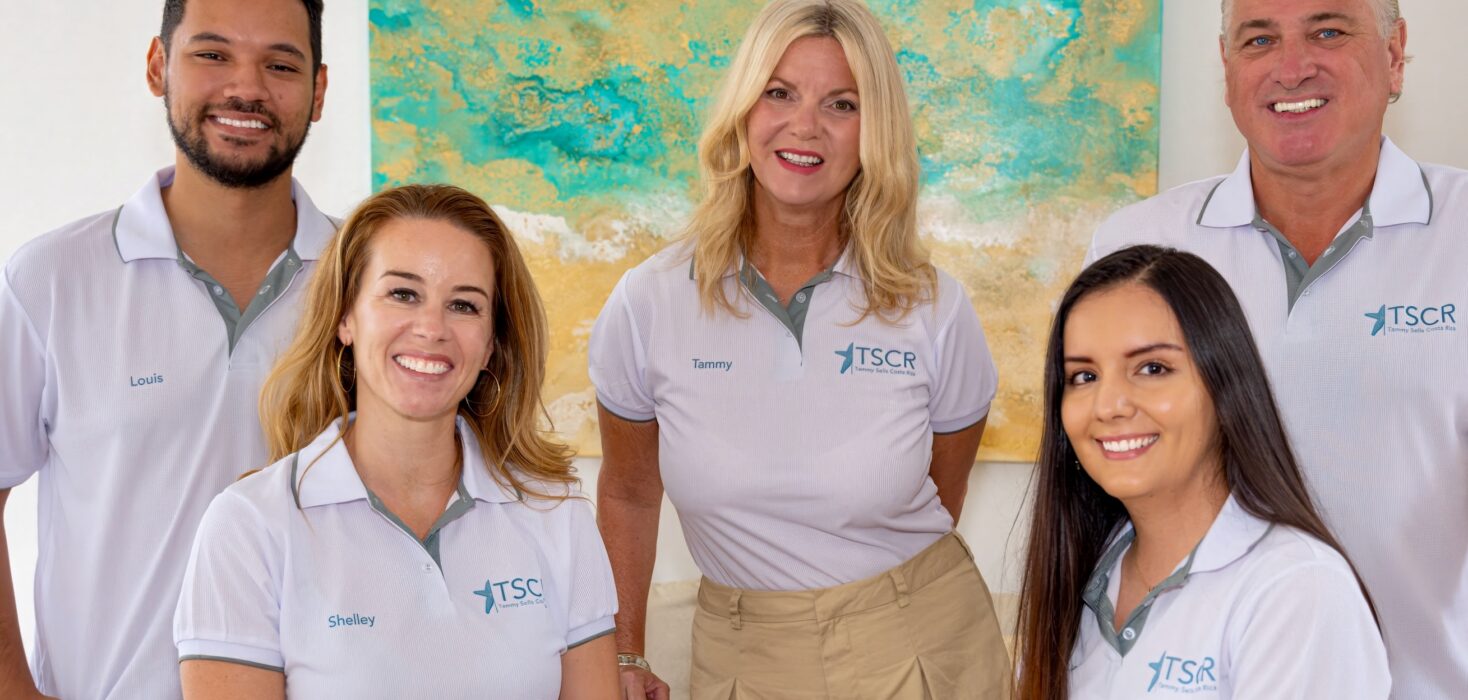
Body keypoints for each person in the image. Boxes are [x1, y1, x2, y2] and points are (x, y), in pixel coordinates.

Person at [589, 1, 1010, 697]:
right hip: (738, 651)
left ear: (874, 131)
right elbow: (630, 492)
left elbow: (940, 492)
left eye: (841, 104)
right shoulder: (649, 302)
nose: (804, 125)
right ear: (743, 112)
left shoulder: (935, 308)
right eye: (779, 93)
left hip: (921, 642)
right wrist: (626, 654)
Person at [1087, 1, 1467, 695]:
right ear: (1226, 68)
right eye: (1259, 39)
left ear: (1395, 55)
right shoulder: (1138, 249)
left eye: (1328, 31)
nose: (1293, 67)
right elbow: (1096, 498)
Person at [0, 0, 332, 697]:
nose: (246, 87)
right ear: (159, 67)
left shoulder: (371, 289)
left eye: (280, 64)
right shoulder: (48, 281)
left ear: (319, 90)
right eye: (212, 54)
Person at [172, 184, 620, 698]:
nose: (431, 328)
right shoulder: (250, 526)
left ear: (493, 342)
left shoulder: (557, 514)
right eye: (402, 294)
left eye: (464, 305)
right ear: (345, 317)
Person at [1014, 245, 1389, 698]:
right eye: (1084, 377)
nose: (1108, 406)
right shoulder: (1078, 573)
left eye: (1152, 368)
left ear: (1225, 385)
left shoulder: (1297, 590)